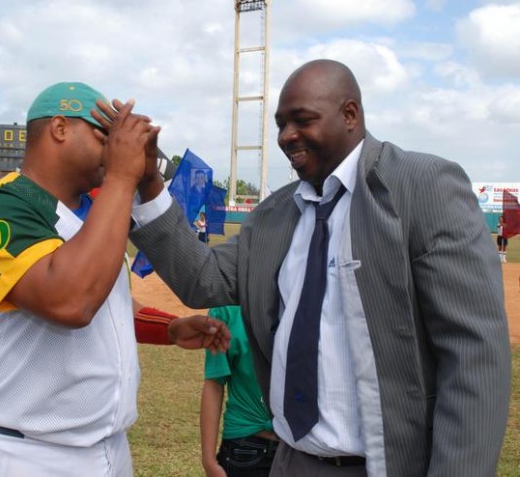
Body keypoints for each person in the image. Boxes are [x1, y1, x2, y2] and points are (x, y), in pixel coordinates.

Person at [110, 59, 510, 476]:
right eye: (281, 123)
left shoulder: (420, 186)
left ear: (350, 114)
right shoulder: (273, 216)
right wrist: (148, 184)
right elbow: (204, 279)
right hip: (290, 461)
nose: (287, 136)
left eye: (303, 120)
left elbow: (474, 355)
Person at [0, 82, 230, 477]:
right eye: (105, 135)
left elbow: (110, 303)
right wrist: (122, 176)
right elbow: (70, 301)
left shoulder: (97, 209)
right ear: (59, 128)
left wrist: (172, 328)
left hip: (106, 446)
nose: (117, 145)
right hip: (14, 451)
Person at [200, 306, 278, 477]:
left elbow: (214, 383)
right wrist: (208, 460)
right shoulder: (225, 309)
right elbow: (214, 383)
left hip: (298, 450)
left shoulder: (226, 304)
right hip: (246, 446)